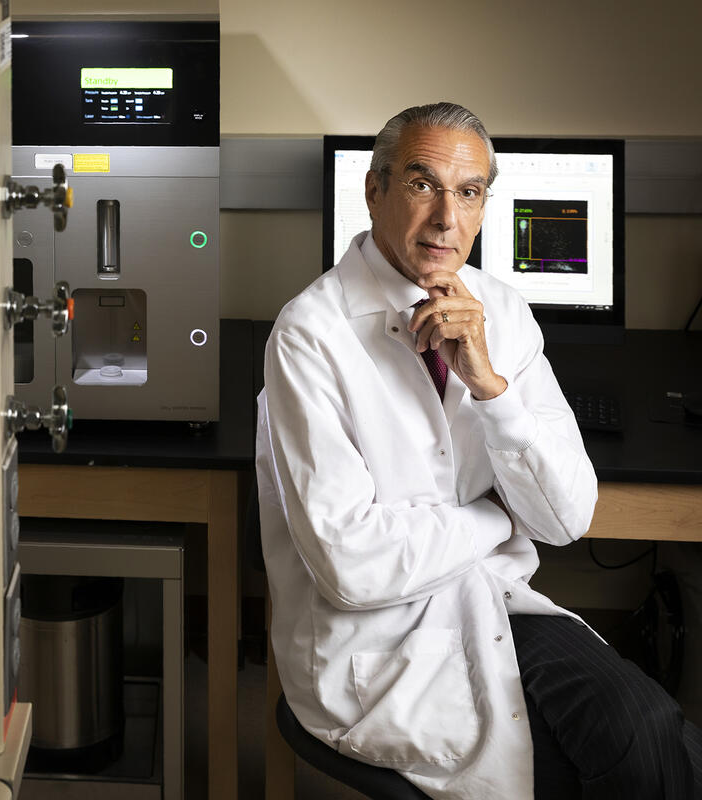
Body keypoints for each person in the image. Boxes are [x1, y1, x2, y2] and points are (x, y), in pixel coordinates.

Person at [257, 102, 702, 799]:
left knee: (651, 730)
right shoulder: (310, 336)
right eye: (422, 184)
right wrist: (497, 515)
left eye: (468, 193)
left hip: (491, 604)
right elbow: (350, 565)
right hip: (375, 652)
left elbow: (565, 518)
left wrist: (492, 390)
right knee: (597, 773)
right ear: (373, 190)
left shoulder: (502, 309)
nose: (446, 218)